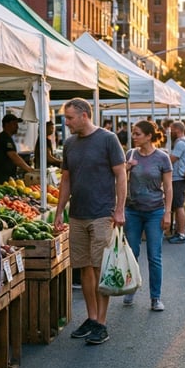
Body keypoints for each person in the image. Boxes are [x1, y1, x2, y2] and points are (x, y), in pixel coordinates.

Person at [54, 98, 126, 346]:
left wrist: (119, 209)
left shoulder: (108, 139)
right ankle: (92, 318)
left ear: (84, 115)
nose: (67, 122)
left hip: (101, 214)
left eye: (70, 117)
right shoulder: (70, 144)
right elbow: (66, 180)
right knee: (84, 267)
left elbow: (121, 175)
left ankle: (102, 323)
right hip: (77, 215)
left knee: (99, 268)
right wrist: (59, 210)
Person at [121, 121, 172, 311]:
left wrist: (167, 213)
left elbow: (168, 187)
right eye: (133, 133)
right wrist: (126, 168)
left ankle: (155, 297)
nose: (134, 137)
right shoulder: (130, 154)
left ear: (149, 136)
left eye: (138, 134)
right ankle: (130, 289)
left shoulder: (162, 157)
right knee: (132, 253)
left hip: (155, 211)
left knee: (154, 256)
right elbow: (121, 181)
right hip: (133, 210)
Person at [168, 120, 185, 243]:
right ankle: (178, 231)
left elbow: (171, 160)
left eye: (171, 130)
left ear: (177, 130)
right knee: (177, 205)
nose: (170, 132)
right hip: (179, 177)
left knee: (179, 206)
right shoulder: (184, 141)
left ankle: (181, 233)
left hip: (178, 177)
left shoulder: (180, 143)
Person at [0, 113, 35, 185]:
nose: (17, 127)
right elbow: (13, 156)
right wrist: (28, 169)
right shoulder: (4, 138)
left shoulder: (6, 137)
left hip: (5, 177)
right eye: (14, 124)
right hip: (2, 179)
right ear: (7, 125)